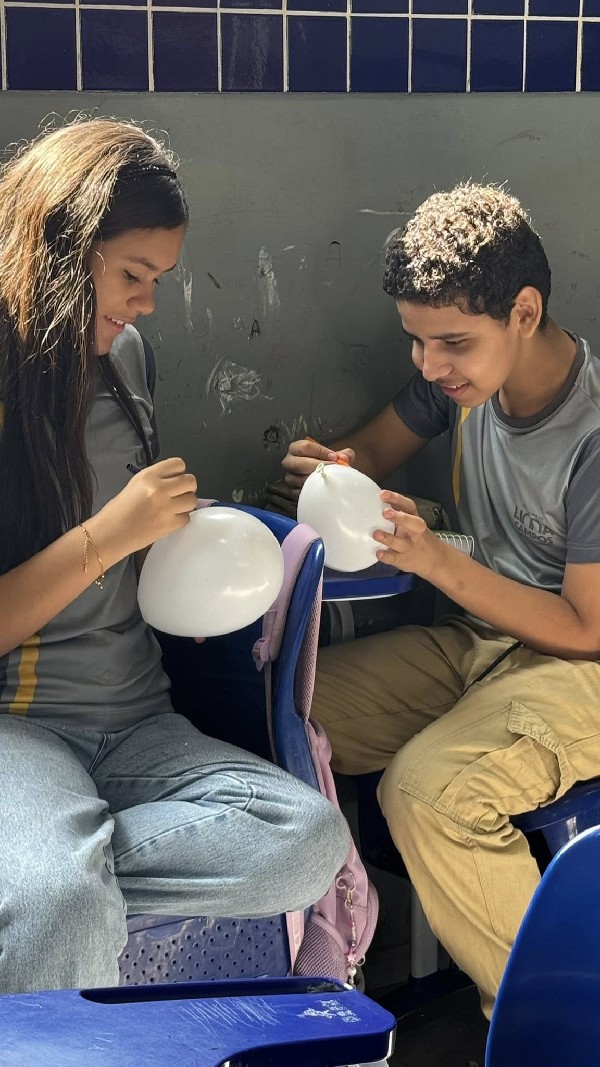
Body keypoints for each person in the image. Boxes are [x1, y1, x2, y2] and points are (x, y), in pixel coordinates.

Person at [0, 117, 349, 995]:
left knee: (307, 840)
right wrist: (112, 533)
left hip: (140, 724)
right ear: (63, 248)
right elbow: (106, 535)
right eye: (132, 274)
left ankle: (53, 874)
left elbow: (142, 547)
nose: (147, 302)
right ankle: (48, 883)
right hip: (20, 731)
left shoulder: (127, 360)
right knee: (57, 898)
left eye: (158, 279)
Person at [280, 181, 600, 1018]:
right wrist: (330, 473)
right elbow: (367, 453)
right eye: (416, 341)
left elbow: (585, 628)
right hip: (477, 640)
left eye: (451, 342)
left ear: (524, 312)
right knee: (287, 707)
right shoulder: (456, 381)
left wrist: (435, 559)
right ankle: (333, 965)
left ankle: (560, 1028)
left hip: (581, 666)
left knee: (428, 791)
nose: (429, 365)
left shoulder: (594, 435)